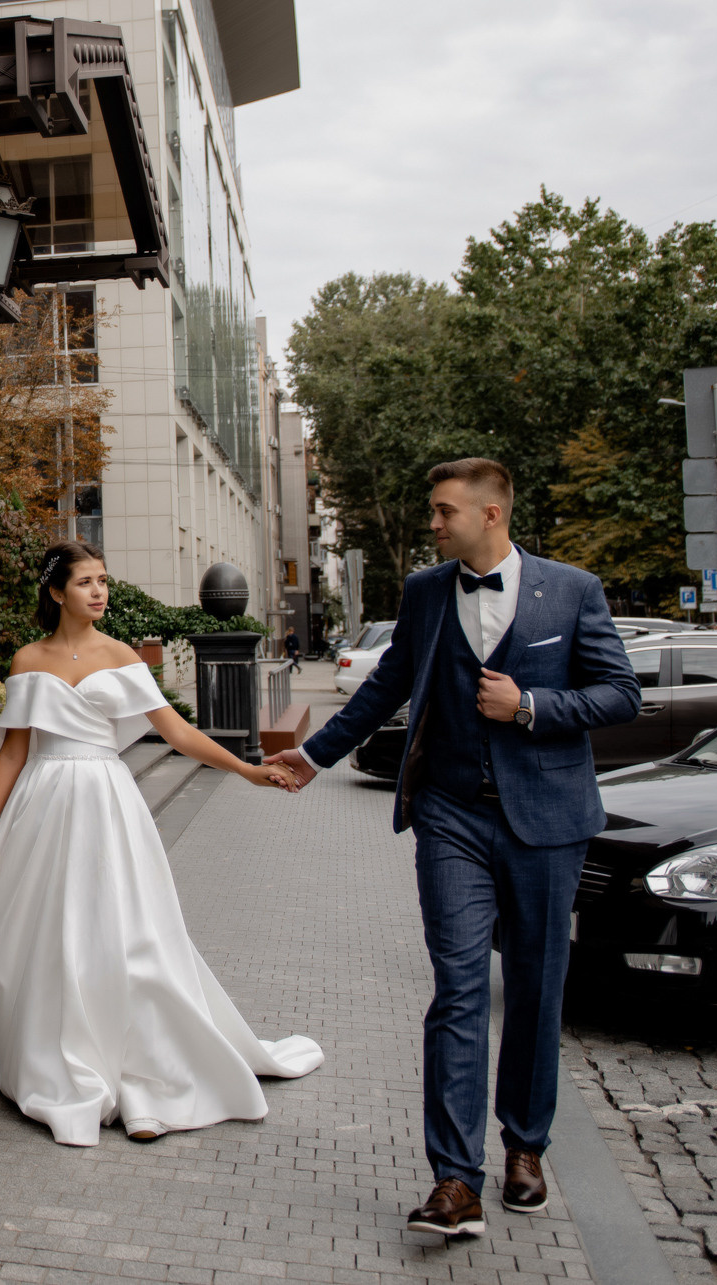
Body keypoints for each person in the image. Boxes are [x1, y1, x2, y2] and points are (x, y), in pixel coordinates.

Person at [266, 458, 638, 1240]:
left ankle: (525, 1148)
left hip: (547, 820)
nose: (433, 524)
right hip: (451, 817)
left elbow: (619, 693)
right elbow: (386, 684)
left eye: (443, 511)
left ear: (491, 513)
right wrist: (318, 753)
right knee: (459, 989)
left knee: (535, 991)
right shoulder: (429, 591)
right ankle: (454, 1179)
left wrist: (530, 704)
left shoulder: (573, 590)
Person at [0, 541, 323, 1146]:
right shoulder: (27, 659)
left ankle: (143, 1071)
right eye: (85, 582)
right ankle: (48, 1054)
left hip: (106, 802)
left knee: (127, 931)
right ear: (57, 593)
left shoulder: (122, 654)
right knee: (46, 930)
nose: (100, 591)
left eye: (104, 580)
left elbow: (177, 732)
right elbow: (14, 751)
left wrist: (245, 769)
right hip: (42, 804)